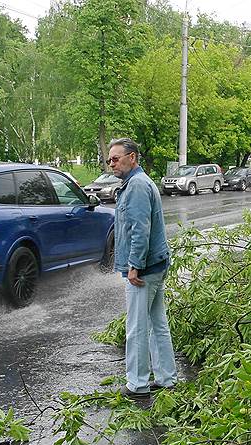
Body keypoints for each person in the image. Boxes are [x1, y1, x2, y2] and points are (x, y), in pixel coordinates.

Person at [107, 137, 176, 398]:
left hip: (145, 269)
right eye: (109, 159)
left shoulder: (136, 185)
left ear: (132, 157)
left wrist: (134, 266)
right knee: (157, 323)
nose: (111, 163)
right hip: (156, 264)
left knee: (136, 327)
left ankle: (137, 384)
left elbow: (140, 230)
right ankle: (167, 378)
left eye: (116, 158)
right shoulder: (139, 182)